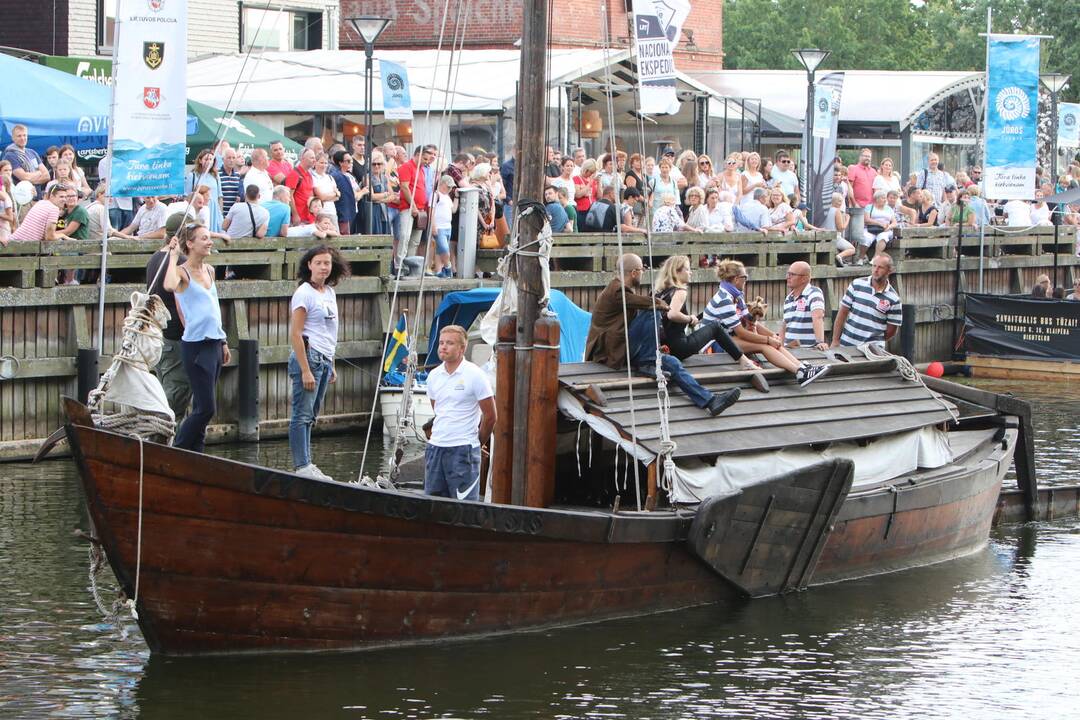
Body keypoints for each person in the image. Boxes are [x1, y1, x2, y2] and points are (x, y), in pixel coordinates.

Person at [584, 253, 740, 416]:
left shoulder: (624, 290)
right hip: (611, 352)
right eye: (642, 270)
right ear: (634, 272)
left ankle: (710, 400)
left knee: (672, 362)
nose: (643, 273)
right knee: (652, 312)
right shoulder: (617, 289)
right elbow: (649, 304)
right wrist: (663, 306)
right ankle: (647, 362)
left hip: (626, 348)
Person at [700, 258, 829, 387]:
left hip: (728, 338)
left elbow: (751, 322)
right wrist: (767, 340)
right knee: (765, 346)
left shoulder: (736, 297)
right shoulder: (725, 300)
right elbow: (741, 332)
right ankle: (798, 372)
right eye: (745, 277)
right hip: (715, 343)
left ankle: (801, 367)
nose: (746, 281)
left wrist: (773, 336)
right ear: (736, 279)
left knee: (774, 343)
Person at [164, 222, 230, 452]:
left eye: (209, 237)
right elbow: (169, 285)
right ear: (190, 244)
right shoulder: (182, 272)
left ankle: (196, 454)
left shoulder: (210, 270)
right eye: (204, 238)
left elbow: (213, 308)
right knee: (206, 408)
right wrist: (173, 257)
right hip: (196, 346)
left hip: (214, 343)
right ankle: (179, 449)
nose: (210, 241)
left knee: (202, 407)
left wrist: (223, 341)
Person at [287, 245, 349, 481]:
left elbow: (329, 330)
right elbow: (296, 333)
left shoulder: (329, 292)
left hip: (324, 358)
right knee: (301, 415)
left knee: (311, 415)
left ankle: (308, 462)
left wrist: (331, 362)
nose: (324, 267)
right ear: (309, 265)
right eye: (319, 263)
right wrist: (305, 370)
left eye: (328, 263)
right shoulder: (304, 293)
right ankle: (302, 465)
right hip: (309, 357)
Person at [424, 325, 497, 501]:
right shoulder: (433, 376)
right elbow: (439, 409)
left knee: (463, 507)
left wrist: (477, 442)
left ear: (462, 348)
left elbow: (490, 416)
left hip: (463, 450)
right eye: (441, 343)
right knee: (433, 506)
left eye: (449, 343)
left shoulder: (475, 375)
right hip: (436, 448)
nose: (443, 347)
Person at [146, 214, 193, 422]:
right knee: (176, 398)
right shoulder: (181, 263)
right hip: (176, 337)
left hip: (158, 335)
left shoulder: (155, 257)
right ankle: (165, 446)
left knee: (163, 392)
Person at [831, 253, 903, 347]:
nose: (876, 270)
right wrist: (835, 340)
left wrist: (875, 342)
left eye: (880, 267)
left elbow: (891, 331)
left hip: (873, 350)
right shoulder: (856, 284)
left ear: (889, 271)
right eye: (874, 266)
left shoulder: (894, 299)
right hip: (847, 344)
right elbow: (842, 314)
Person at [780, 261, 829, 351]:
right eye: (788, 274)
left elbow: (818, 317)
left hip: (808, 352)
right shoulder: (788, 298)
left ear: (804, 279)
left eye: (792, 274)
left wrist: (820, 342)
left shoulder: (814, 293)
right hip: (789, 351)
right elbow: (784, 326)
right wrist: (780, 347)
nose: (788, 277)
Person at [2, 124, 50, 197]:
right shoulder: (10, 155)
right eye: (19, 136)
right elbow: (24, 177)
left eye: (24, 135)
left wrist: (31, 179)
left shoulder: (32, 152)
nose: (22, 138)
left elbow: (47, 176)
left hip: (38, 197)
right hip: (23, 200)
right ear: (13, 138)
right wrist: (39, 173)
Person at [431, 175, 457, 278]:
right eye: (448, 187)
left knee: (439, 250)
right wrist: (433, 226)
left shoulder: (447, 197)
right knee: (444, 248)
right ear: (441, 184)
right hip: (439, 226)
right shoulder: (436, 195)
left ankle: (438, 271)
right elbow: (431, 211)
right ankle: (448, 266)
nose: (450, 189)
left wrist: (457, 197)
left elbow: (453, 209)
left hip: (448, 227)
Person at [285, 148, 317, 226]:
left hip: (308, 217)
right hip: (299, 218)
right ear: (302, 158)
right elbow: (289, 196)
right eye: (312, 158)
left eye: (314, 158)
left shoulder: (309, 174)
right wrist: (295, 215)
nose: (314, 160)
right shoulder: (294, 174)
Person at [218, 148, 243, 217]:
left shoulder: (238, 175)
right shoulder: (217, 175)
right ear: (223, 159)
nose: (231, 160)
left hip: (234, 216)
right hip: (221, 215)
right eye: (229, 158)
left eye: (233, 158)